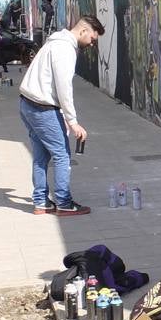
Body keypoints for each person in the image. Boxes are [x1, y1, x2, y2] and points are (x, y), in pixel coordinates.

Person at [18, 15, 104, 216]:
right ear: (83, 31)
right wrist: (73, 122)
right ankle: (64, 202)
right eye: (92, 39)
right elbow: (64, 88)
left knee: (40, 156)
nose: (92, 44)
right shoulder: (65, 50)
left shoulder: (54, 42)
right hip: (42, 108)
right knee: (62, 155)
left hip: (27, 104)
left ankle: (41, 202)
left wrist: (64, 117)